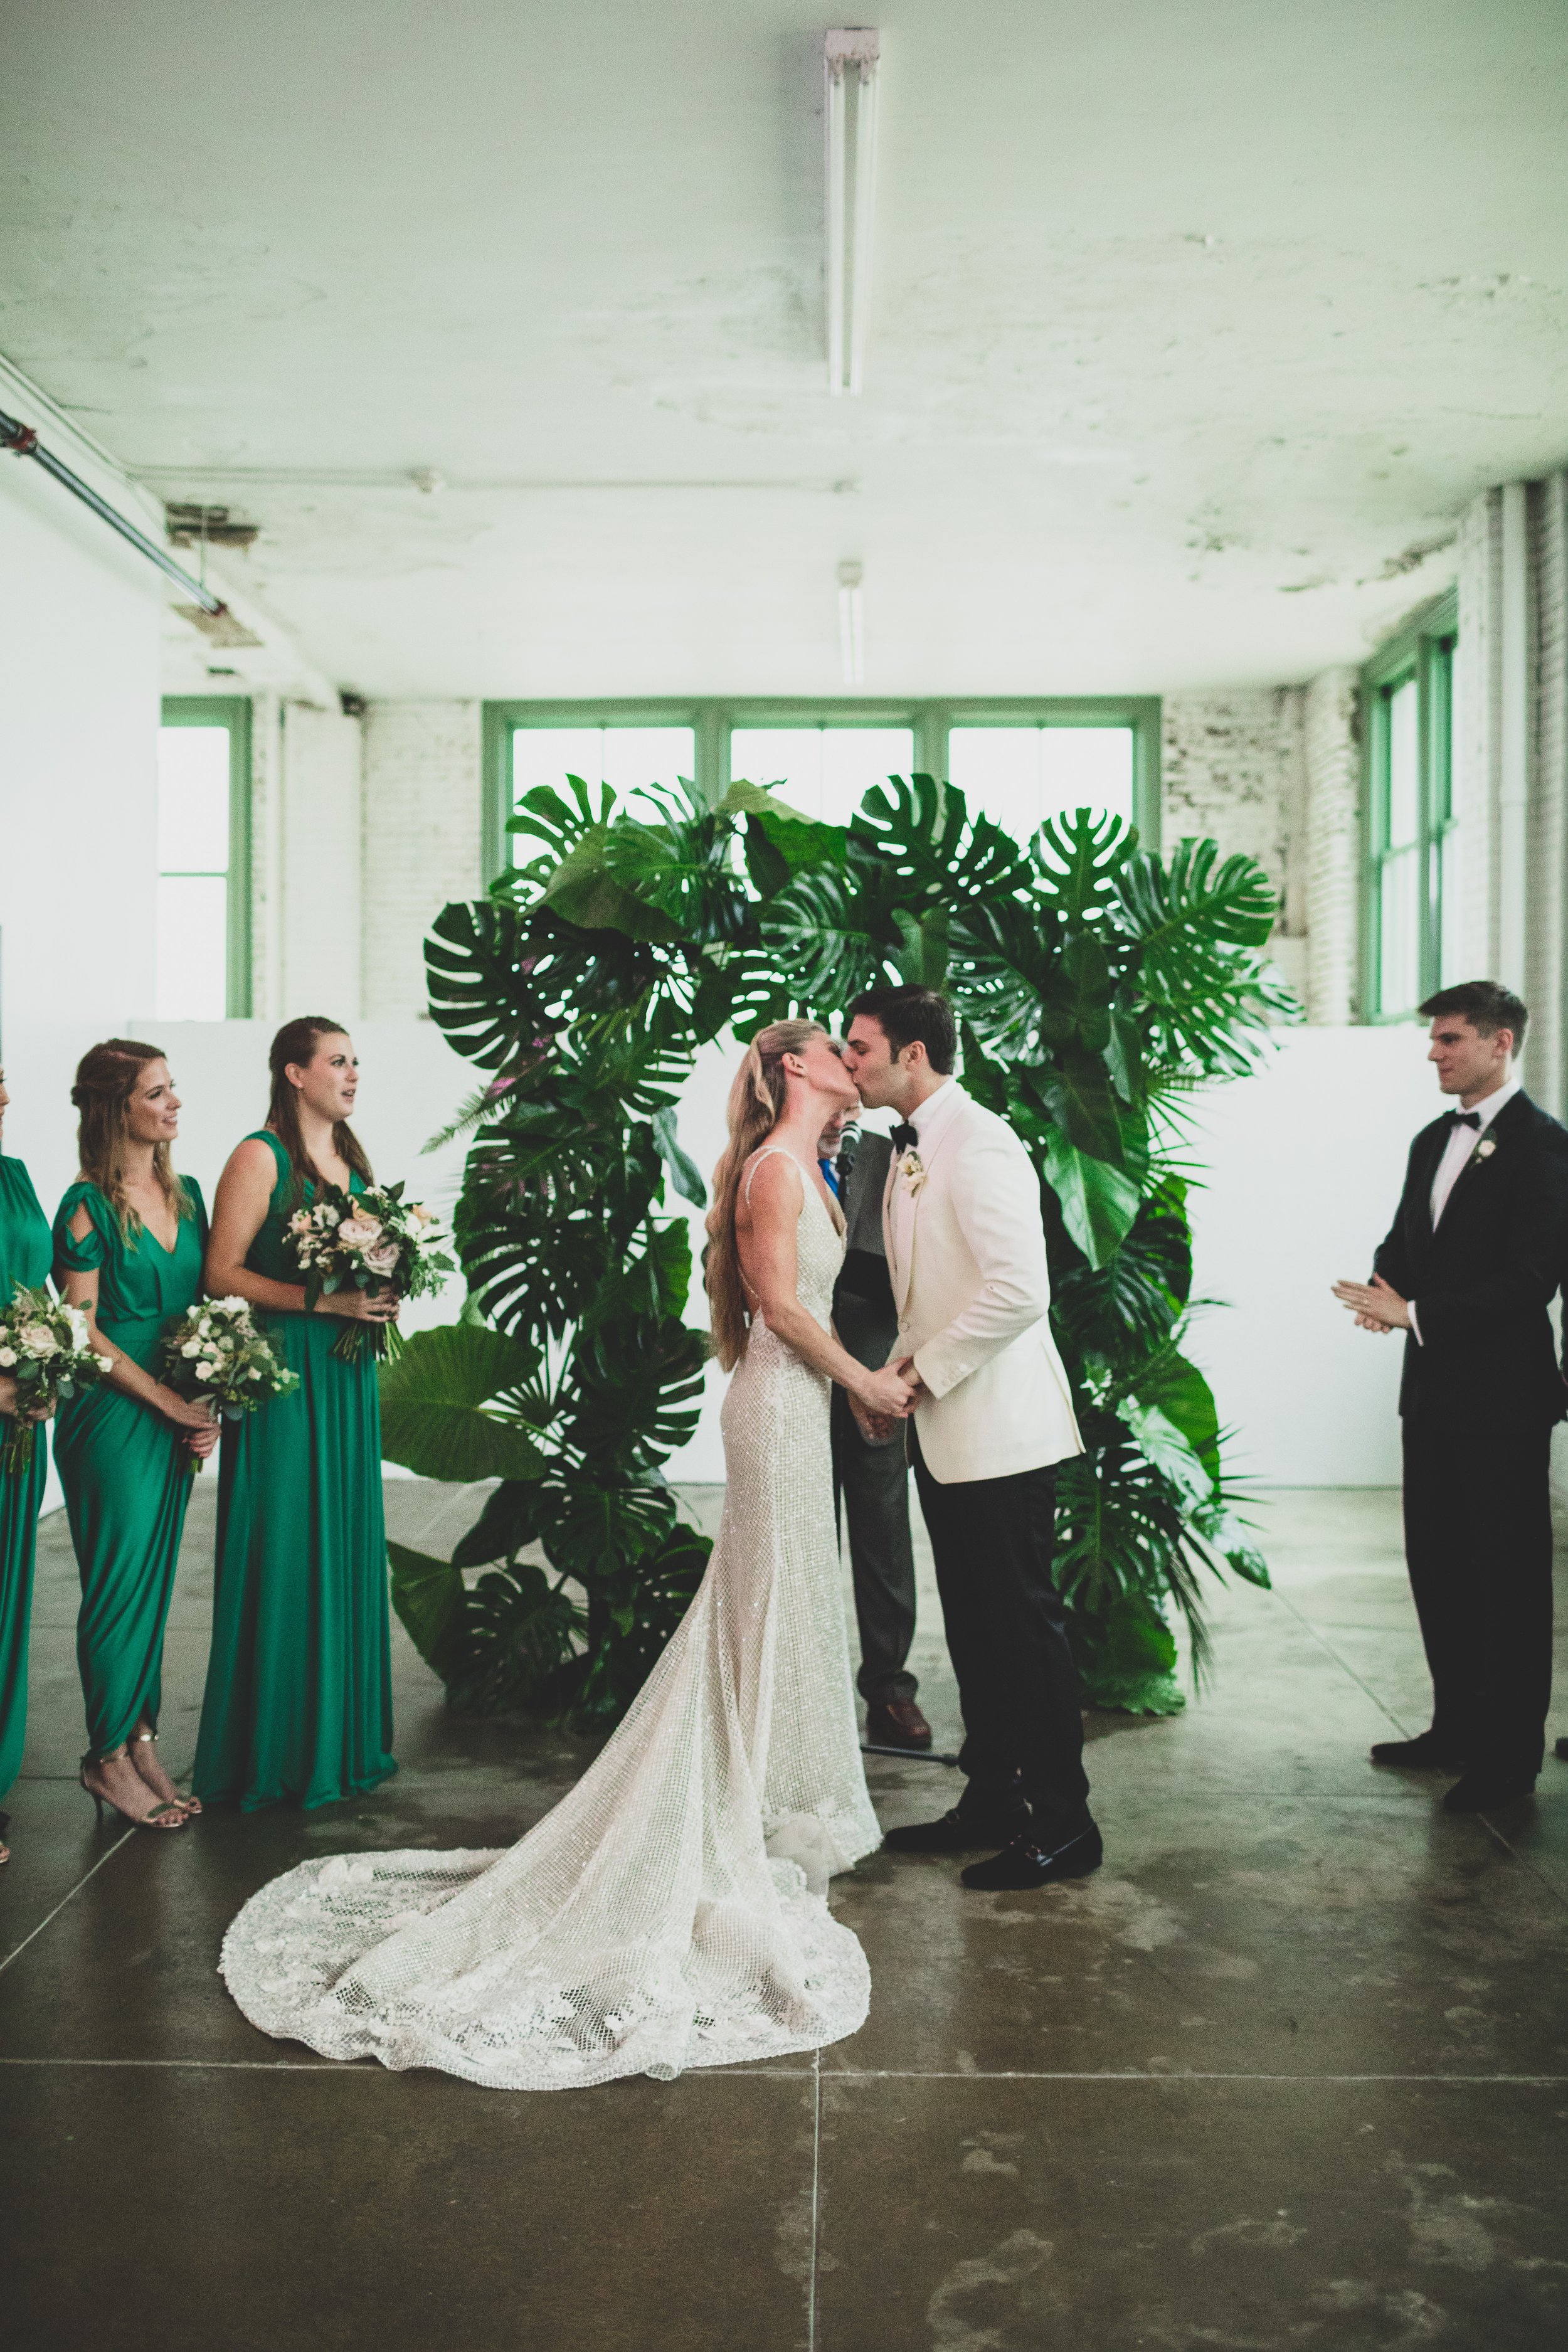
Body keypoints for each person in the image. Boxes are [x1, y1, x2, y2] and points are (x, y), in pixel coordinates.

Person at [216, 1020, 913, 2089]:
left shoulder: (818, 1165)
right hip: (778, 1411)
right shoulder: (776, 1169)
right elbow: (777, 1307)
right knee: (762, 1607)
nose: (847, 1061)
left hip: (802, 1409)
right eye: (830, 1048)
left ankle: (753, 1800)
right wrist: (864, 1384)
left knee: (776, 1607)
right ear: (790, 1071)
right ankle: (725, 1811)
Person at [842, 983, 1099, 1892]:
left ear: (913, 1054)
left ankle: (1066, 1825)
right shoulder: (911, 1146)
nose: (850, 1062)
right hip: (947, 1429)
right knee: (980, 1633)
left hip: (1003, 1434)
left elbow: (1019, 1289)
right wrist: (889, 1385)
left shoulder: (982, 1139)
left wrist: (913, 1375)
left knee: (1024, 1631)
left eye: (861, 1048)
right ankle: (993, 1799)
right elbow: (927, 1295)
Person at [1332, 980, 1568, 1814]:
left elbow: (1532, 1278)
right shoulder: (1433, 1136)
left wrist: (1417, 1312)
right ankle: (1455, 1727)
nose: (1434, 1052)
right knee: (1438, 1564)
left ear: (1502, 1044)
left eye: (1451, 1039)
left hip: (1502, 1399)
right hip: (1431, 1393)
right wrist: (1385, 1280)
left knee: (1507, 1579)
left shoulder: (1544, 1146)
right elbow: (1409, 1233)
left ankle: (1509, 1762)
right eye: (1434, 1038)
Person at [193, 1018, 400, 1811]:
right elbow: (219, 1274)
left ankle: (339, 1739)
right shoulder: (259, 1156)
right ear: (294, 1074)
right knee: (283, 1547)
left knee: (340, 1544)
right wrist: (326, 1298)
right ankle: (273, 1751)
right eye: (338, 1062)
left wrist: (381, 1289)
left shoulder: (351, 1160)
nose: (352, 1075)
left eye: (356, 1061)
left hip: (345, 1378)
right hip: (284, 1377)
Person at [53, 1041, 218, 1832]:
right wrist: (164, 1401)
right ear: (119, 1107)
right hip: (112, 1416)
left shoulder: (185, 1194)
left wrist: (203, 1400)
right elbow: (79, 1330)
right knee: (118, 1588)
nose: (174, 1103)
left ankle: (142, 1738)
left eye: (172, 1087)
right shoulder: (84, 1205)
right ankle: (103, 1758)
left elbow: (203, 1314)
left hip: (171, 1409)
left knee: (152, 1589)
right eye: (157, 1092)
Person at [818, 1106, 931, 1752]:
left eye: (852, 1098)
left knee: (884, 1538)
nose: (843, 1113)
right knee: (803, 1539)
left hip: (876, 1367)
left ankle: (890, 1691)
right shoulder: (776, 1156)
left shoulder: (897, 1155)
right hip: (794, 1378)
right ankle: (809, 1692)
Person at [0, 1064, 55, 1866]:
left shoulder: (14, 1178)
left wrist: (50, 1367)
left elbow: (38, 1291)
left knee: (7, 1604)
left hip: (19, 1429)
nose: (5, 1097)